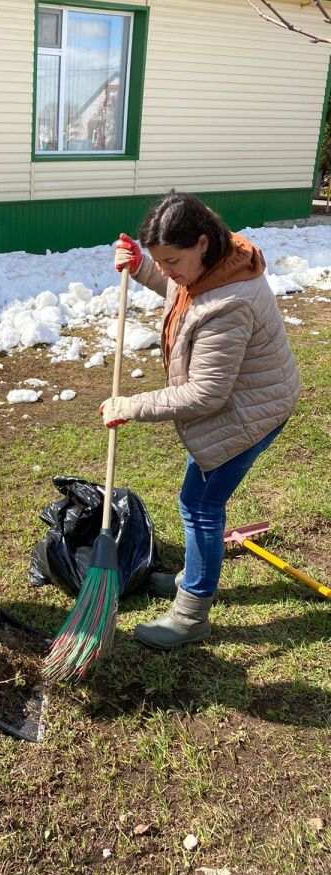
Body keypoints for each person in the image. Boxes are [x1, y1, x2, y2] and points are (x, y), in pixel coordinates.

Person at [102, 192, 300, 650]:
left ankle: (192, 614)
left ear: (203, 243)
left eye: (172, 260)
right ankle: (194, 575)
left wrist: (131, 405)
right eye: (160, 260)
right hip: (249, 398)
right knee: (198, 500)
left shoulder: (229, 302)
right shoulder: (211, 267)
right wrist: (141, 268)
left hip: (253, 410)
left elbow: (207, 394)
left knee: (200, 505)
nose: (167, 270)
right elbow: (177, 288)